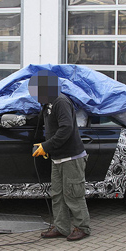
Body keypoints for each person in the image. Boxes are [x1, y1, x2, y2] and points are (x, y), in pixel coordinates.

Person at [30, 69, 91, 241]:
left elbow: (66, 129)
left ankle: (83, 227)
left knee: (73, 193)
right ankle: (61, 227)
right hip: (57, 158)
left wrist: (46, 146)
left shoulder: (61, 102)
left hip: (72, 157)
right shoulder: (47, 104)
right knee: (57, 194)